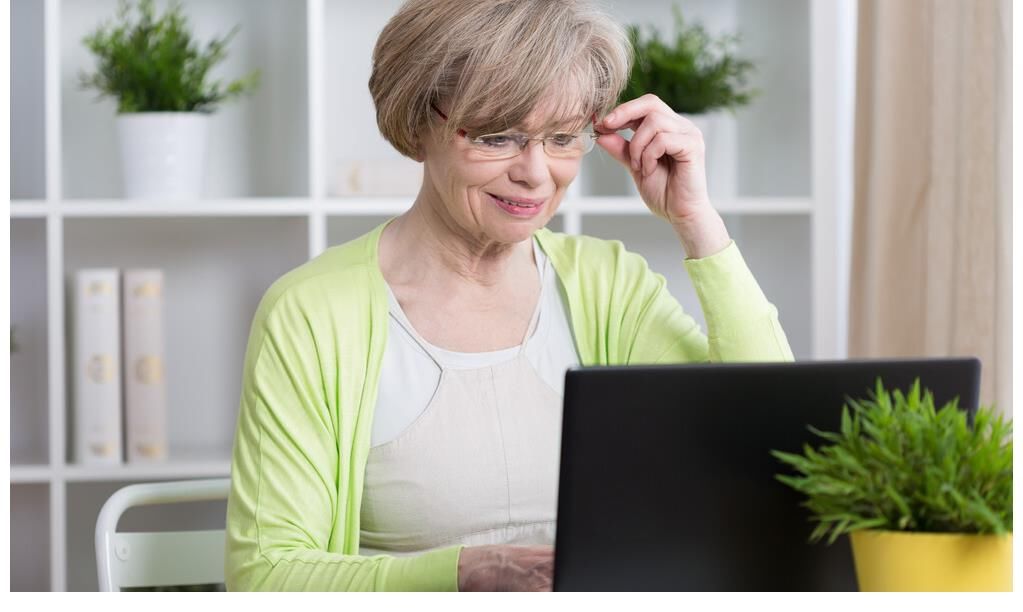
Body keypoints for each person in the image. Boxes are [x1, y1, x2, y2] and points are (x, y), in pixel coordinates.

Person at [225, 0, 793, 592]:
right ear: (420, 125)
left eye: (562, 138)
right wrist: (465, 572)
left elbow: (773, 448)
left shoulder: (609, 285)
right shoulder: (313, 313)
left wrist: (697, 221)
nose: (536, 173)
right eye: (498, 137)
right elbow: (265, 577)